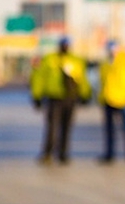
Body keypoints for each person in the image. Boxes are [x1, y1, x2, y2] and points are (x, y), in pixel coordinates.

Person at [30, 35, 92, 165]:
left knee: (67, 127)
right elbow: (39, 78)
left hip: (70, 98)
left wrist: (86, 94)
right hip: (54, 98)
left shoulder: (76, 60)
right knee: (52, 127)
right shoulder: (49, 59)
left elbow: (82, 79)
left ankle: (63, 153)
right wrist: (36, 96)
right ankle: (47, 153)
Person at [97, 40, 125, 164]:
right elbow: (102, 80)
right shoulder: (105, 62)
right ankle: (109, 154)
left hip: (123, 99)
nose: (112, 52)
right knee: (109, 129)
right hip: (108, 98)